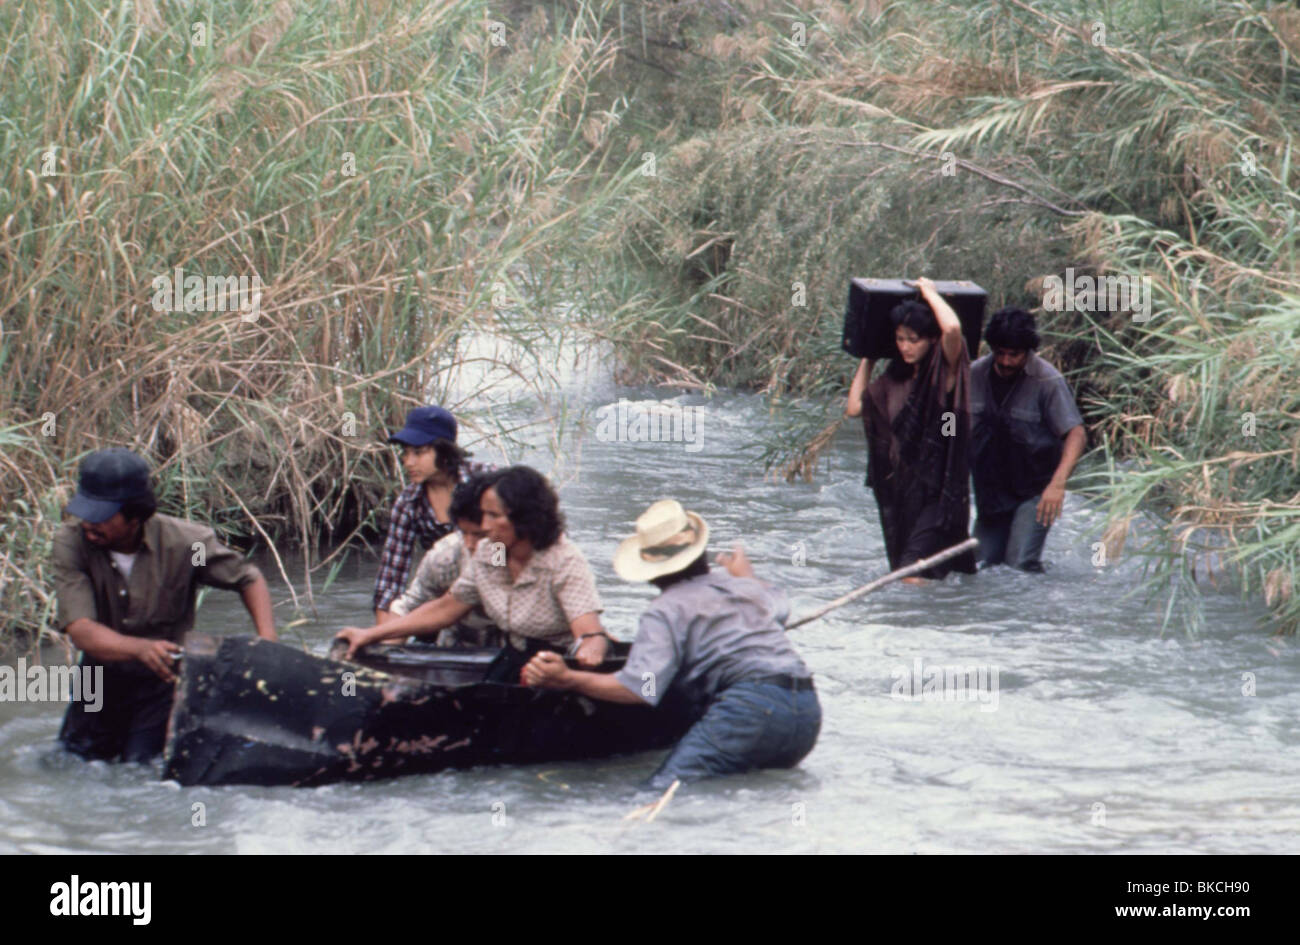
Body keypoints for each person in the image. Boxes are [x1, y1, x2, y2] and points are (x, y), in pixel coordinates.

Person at [521, 499, 820, 789]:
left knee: (660, 793)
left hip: (748, 710)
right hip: (806, 711)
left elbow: (640, 689)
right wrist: (749, 578)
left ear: (652, 574)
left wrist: (568, 678)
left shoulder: (665, 609)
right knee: (756, 791)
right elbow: (780, 607)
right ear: (700, 553)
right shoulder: (747, 589)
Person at [52, 448, 277, 763]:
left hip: (162, 681)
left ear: (135, 515)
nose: (88, 524)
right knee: (72, 763)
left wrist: (267, 642)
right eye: (84, 512)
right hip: (96, 680)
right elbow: (82, 631)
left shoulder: (187, 544)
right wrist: (140, 649)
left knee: (141, 769)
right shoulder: (71, 543)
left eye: (100, 516)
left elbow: (247, 578)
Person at [337, 465, 610, 668]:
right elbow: (447, 608)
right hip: (512, 661)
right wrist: (369, 635)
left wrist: (587, 653)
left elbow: (589, 634)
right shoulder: (494, 554)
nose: (485, 526)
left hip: (555, 666)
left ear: (524, 519)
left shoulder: (562, 561)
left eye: (493, 516)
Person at [845, 277, 977, 581]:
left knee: (909, 571)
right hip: (903, 492)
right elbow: (853, 409)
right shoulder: (893, 381)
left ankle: (912, 624)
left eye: (913, 339)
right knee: (925, 569)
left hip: (938, 491)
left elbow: (954, 329)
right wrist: (868, 355)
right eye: (900, 339)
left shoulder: (943, 371)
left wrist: (929, 292)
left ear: (931, 339)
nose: (905, 347)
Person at [969, 307, 1086, 571]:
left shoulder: (1048, 381)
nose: (1006, 361)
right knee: (979, 565)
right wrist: (946, 438)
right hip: (991, 492)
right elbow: (951, 419)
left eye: (1015, 355)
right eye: (1000, 353)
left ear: (1028, 351)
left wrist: (1057, 486)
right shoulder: (972, 374)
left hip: (1035, 491)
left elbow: (1076, 434)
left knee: (1019, 566)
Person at [372, 404, 492, 624]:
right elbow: (391, 579)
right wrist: (381, 639)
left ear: (444, 451)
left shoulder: (486, 480)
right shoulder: (409, 503)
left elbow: (512, 543)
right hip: (444, 598)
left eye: (418, 452)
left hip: (493, 581)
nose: (408, 462)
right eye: (405, 453)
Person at [387, 472, 502, 648]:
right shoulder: (445, 556)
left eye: (480, 535)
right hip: (457, 645)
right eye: (465, 533)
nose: (470, 544)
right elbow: (406, 609)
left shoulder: (512, 551)